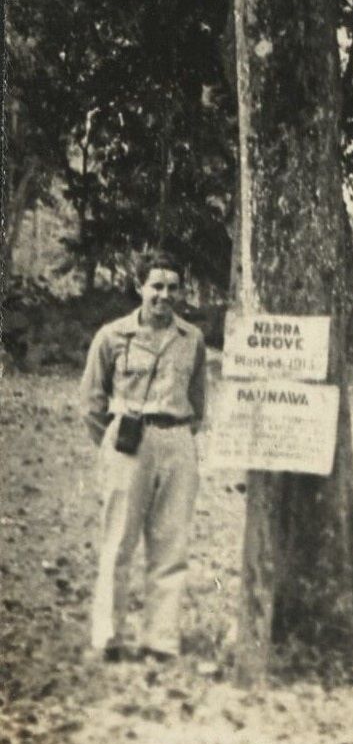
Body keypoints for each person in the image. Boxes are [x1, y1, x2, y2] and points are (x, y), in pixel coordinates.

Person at [80, 251, 207, 663]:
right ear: (139, 287)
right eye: (156, 286)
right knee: (118, 541)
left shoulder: (192, 339)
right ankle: (109, 637)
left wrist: (177, 436)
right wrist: (115, 442)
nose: (164, 295)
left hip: (177, 440)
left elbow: (198, 400)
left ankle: (160, 640)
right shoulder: (113, 336)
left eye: (173, 287)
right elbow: (91, 402)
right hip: (128, 443)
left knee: (171, 545)